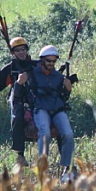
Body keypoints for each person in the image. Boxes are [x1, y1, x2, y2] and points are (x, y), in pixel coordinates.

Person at [13, 45, 76, 182]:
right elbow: (17, 95)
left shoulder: (58, 76)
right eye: (48, 61)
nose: (51, 64)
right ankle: (42, 169)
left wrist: (68, 89)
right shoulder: (31, 74)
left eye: (54, 61)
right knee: (45, 133)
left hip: (57, 109)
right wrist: (19, 83)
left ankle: (68, 168)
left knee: (68, 134)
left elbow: (64, 97)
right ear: (42, 60)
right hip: (40, 109)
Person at [0, 37, 37, 166]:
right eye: (18, 50)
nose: (21, 52)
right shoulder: (9, 69)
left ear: (26, 50)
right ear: (13, 53)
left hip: (34, 96)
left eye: (23, 49)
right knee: (18, 117)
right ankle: (20, 155)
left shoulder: (36, 65)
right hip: (18, 98)